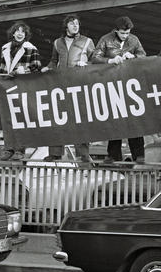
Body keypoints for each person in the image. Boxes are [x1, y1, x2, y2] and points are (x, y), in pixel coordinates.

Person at [91, 15, 146, 164]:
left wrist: (133, 56)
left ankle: (139, 155)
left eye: (127, 33)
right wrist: (110, 60)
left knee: (134, 118)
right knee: (115, 119)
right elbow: (95, 58)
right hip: (112, 84)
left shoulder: (134, 40)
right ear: (116, 31)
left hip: (130, 86)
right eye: (122, 33)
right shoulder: (105, 39)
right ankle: (113, 154)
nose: (125, 36)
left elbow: (143, 57)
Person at [42, 14, 94, 161]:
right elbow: (54, 61)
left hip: (79, 84)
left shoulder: (87, 41)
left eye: (77, 23)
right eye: (72, 24)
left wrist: (87, 65)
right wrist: (48, 68)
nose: (75, 26)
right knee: (57, 118)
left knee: (80, 119)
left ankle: (83, 154)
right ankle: (55, 152)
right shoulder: (57, 42)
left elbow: (95, 60)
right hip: (60, 85)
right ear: (66, 26)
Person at [0, 21, 41, 160]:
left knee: (21, 117)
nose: (20, 34)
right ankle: (8, 148)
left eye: (22, 32)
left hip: (22, 86)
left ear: (26, 35)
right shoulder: (5, 48)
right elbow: (3, 67)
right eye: (17, 31)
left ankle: (20, 149)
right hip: (7, 86)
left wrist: (22, 70)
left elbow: (37, 67)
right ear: (13, 33)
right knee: (7, 118)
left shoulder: (31, 48)